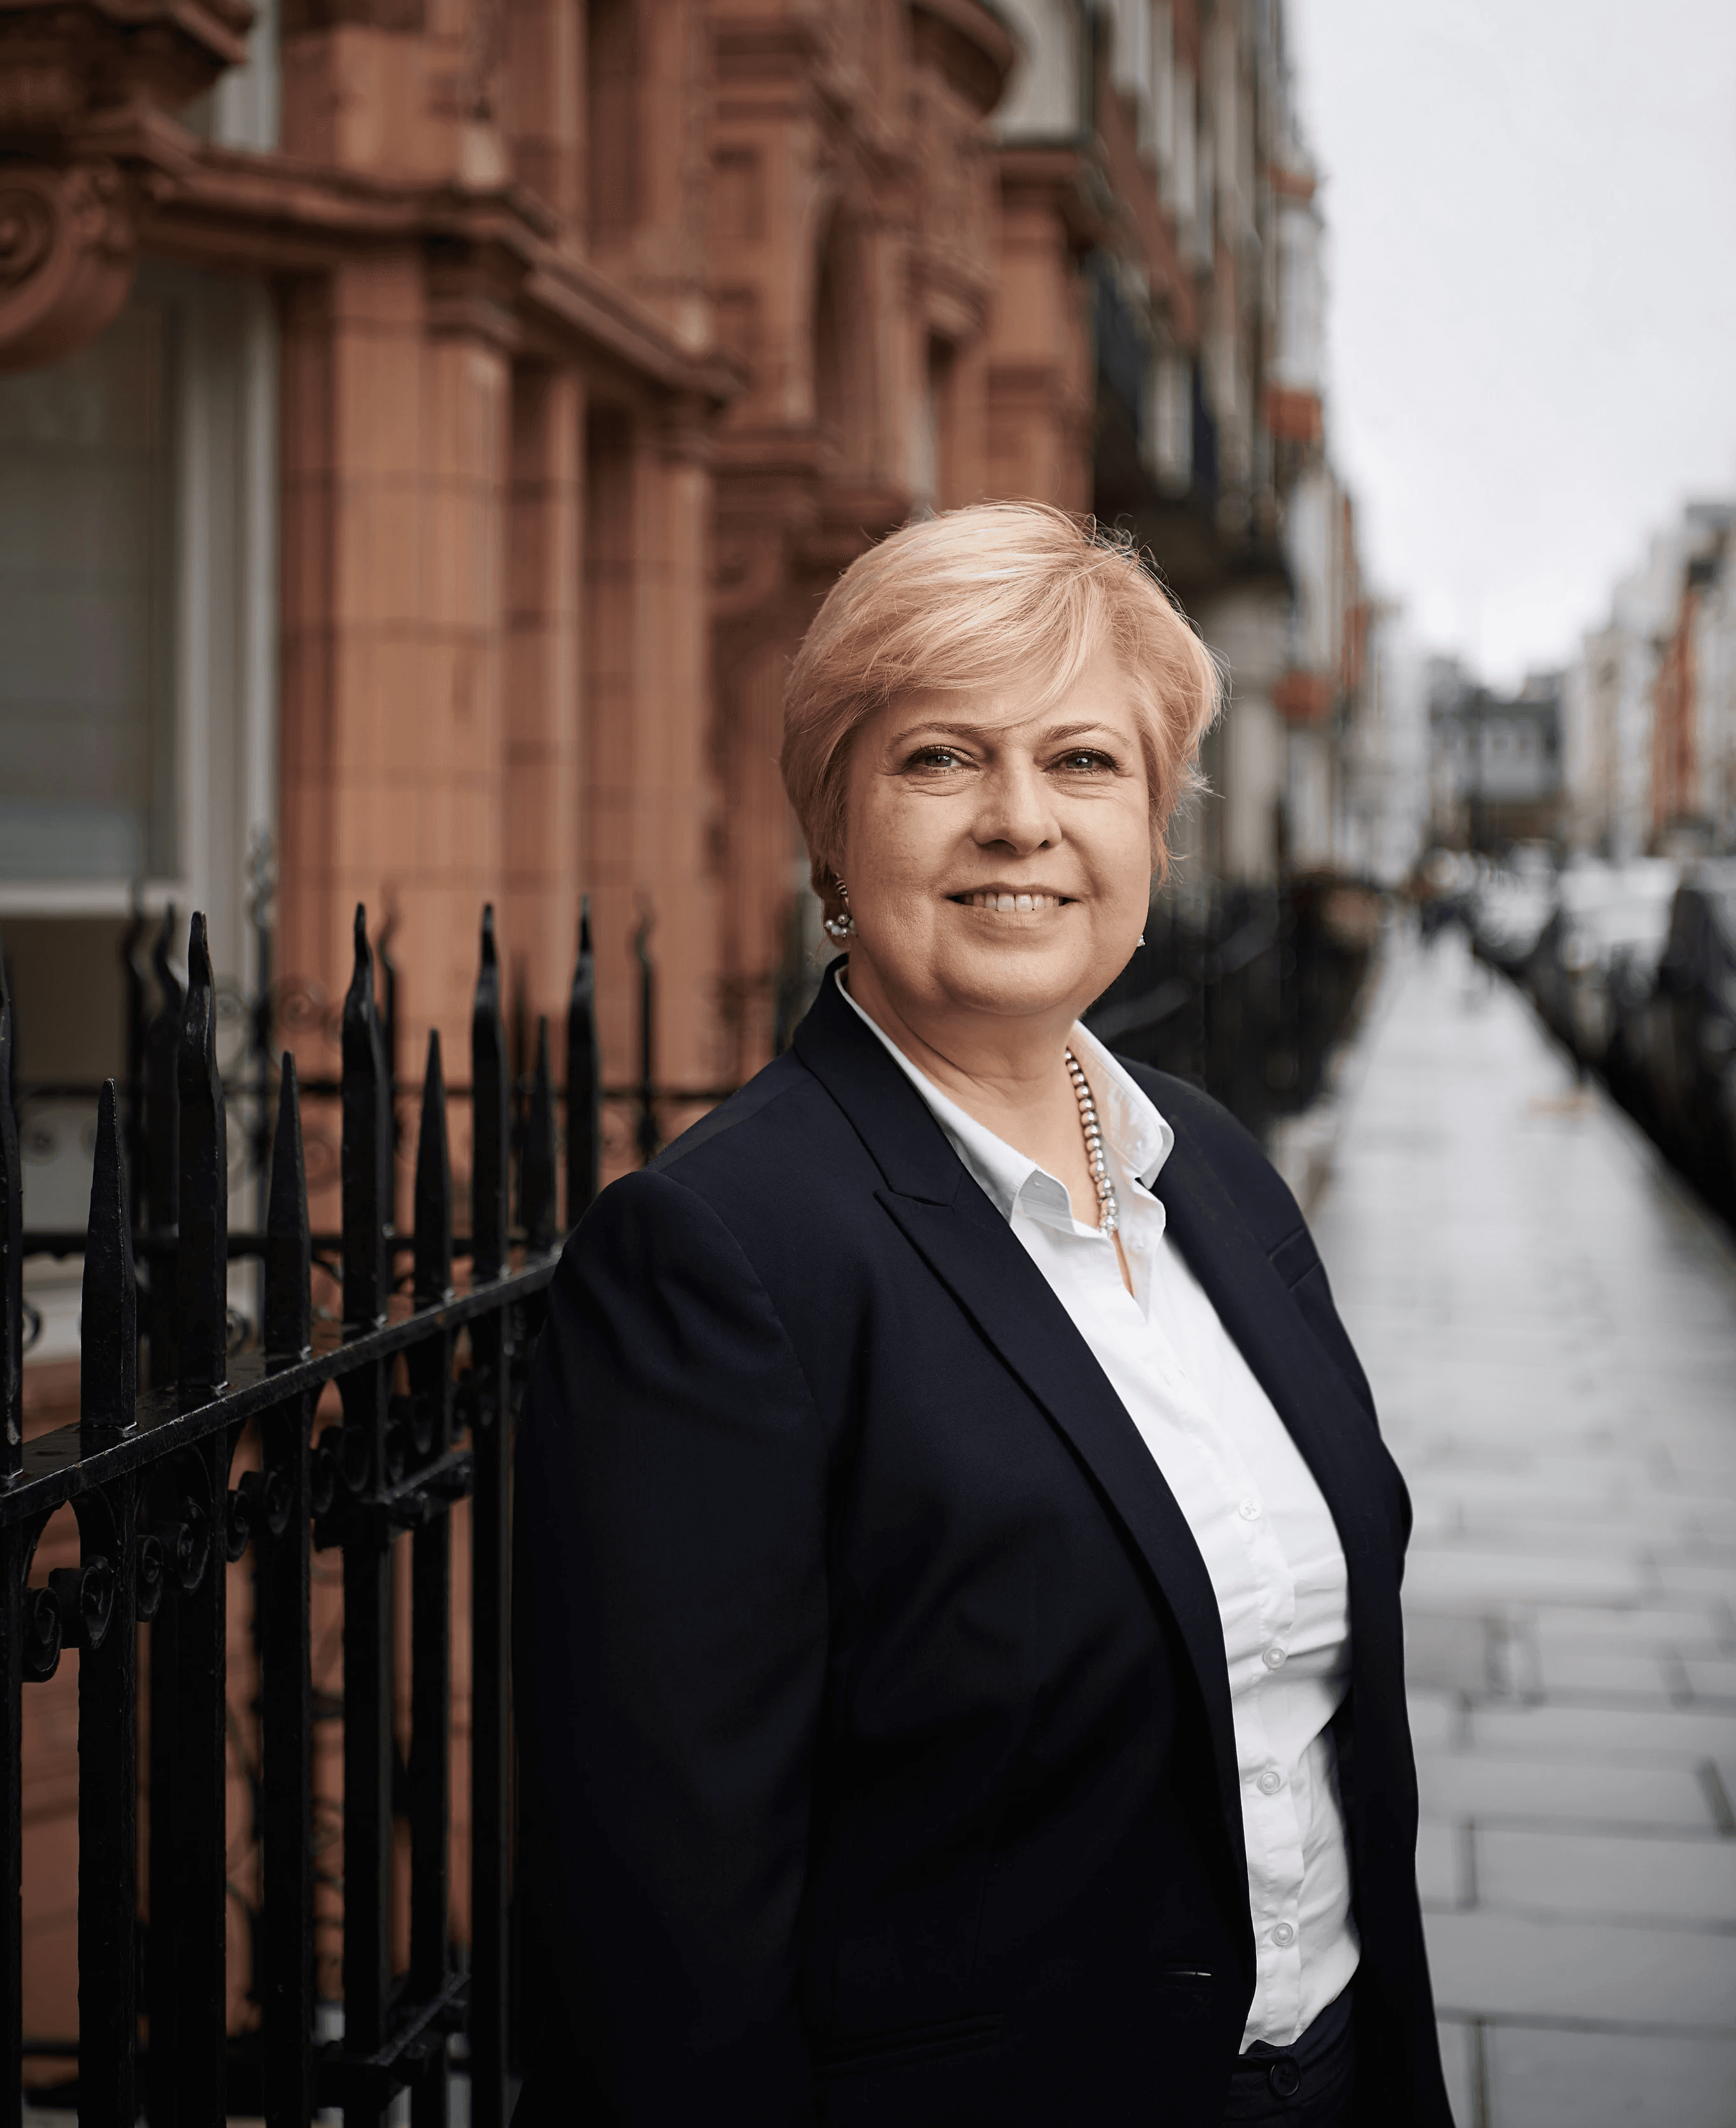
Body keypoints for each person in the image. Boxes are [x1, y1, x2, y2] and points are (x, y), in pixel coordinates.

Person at [514, 504, 1451, 2127]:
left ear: (1158, 830)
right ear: (834, 831)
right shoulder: (718, 1257)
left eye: (1085, 763)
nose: (1021, 820)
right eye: (942, 758)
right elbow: (664, 1949)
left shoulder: (1212, 1170)